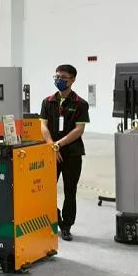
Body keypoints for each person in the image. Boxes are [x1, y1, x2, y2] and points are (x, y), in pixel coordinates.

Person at [40, 64, 90, 242]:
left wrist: (58, 145)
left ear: (72, 80)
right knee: (45, 190)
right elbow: (43, 126)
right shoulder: (48, 102)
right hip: (51, 153)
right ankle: (55, 217)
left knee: (70, 191)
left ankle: (66, 226)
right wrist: (51, 146)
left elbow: (79, 129)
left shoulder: (80, 104)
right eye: (57, 77)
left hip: (72, 154)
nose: (59, 80)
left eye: (63, 78)